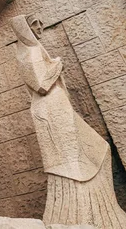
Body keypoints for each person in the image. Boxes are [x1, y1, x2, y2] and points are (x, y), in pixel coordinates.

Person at [11, 15, 126, 227]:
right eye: (33, 24)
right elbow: (41, 84)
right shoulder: (29, 52)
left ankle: (99, 212)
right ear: (24, 28)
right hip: (50, 109)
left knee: (99, 149)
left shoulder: (36, 50)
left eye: (40, 22)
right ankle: (74, 214)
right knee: (70, 160)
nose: (39, 27)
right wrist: (57, 64)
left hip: (58, 106)